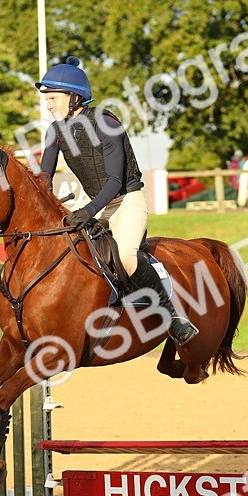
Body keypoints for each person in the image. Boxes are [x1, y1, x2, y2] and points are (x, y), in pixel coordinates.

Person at [36, 56, 198, 346]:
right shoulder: (55, 132)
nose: (48, 104)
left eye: (53, 98)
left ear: (75, 97)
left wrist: (88, 211)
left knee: (125, 256)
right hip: (91, 200)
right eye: (47, 98)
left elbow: (114, 182)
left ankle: (172, 316)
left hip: (125, 200)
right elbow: (44, 177)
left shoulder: (105, 123)